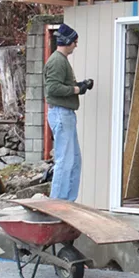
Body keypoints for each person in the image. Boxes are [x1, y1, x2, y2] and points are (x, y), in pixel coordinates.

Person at [44, 24, 93, 201]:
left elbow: (58, 85)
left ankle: (67, 202)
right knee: (64, 161)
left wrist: (79, 86)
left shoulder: (61, 60)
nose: (76, 45)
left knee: (74, 162)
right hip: (61, 114)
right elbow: (52, 88)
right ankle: (56, 203)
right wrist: (77, 89)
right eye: (75, 42)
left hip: (65, 114)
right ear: (68, 42)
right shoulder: (57, 61)